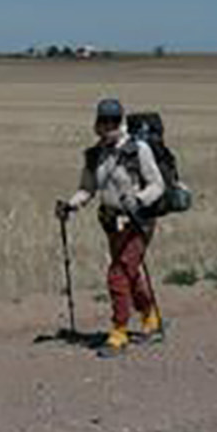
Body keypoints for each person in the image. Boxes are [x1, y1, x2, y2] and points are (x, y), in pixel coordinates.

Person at [56, 97, 165, 356]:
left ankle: (118, 333)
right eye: (103, 121)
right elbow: (87, 188)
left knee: (118, 274)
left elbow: (156, 185)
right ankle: (150, 317)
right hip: (111, 222)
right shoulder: (96, 155)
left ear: (120, 121)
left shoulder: (138, 149)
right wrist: (71, 205)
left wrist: (138, 200)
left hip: (139, 221)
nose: (107, 126)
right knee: (130, 272)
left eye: (112, 121)